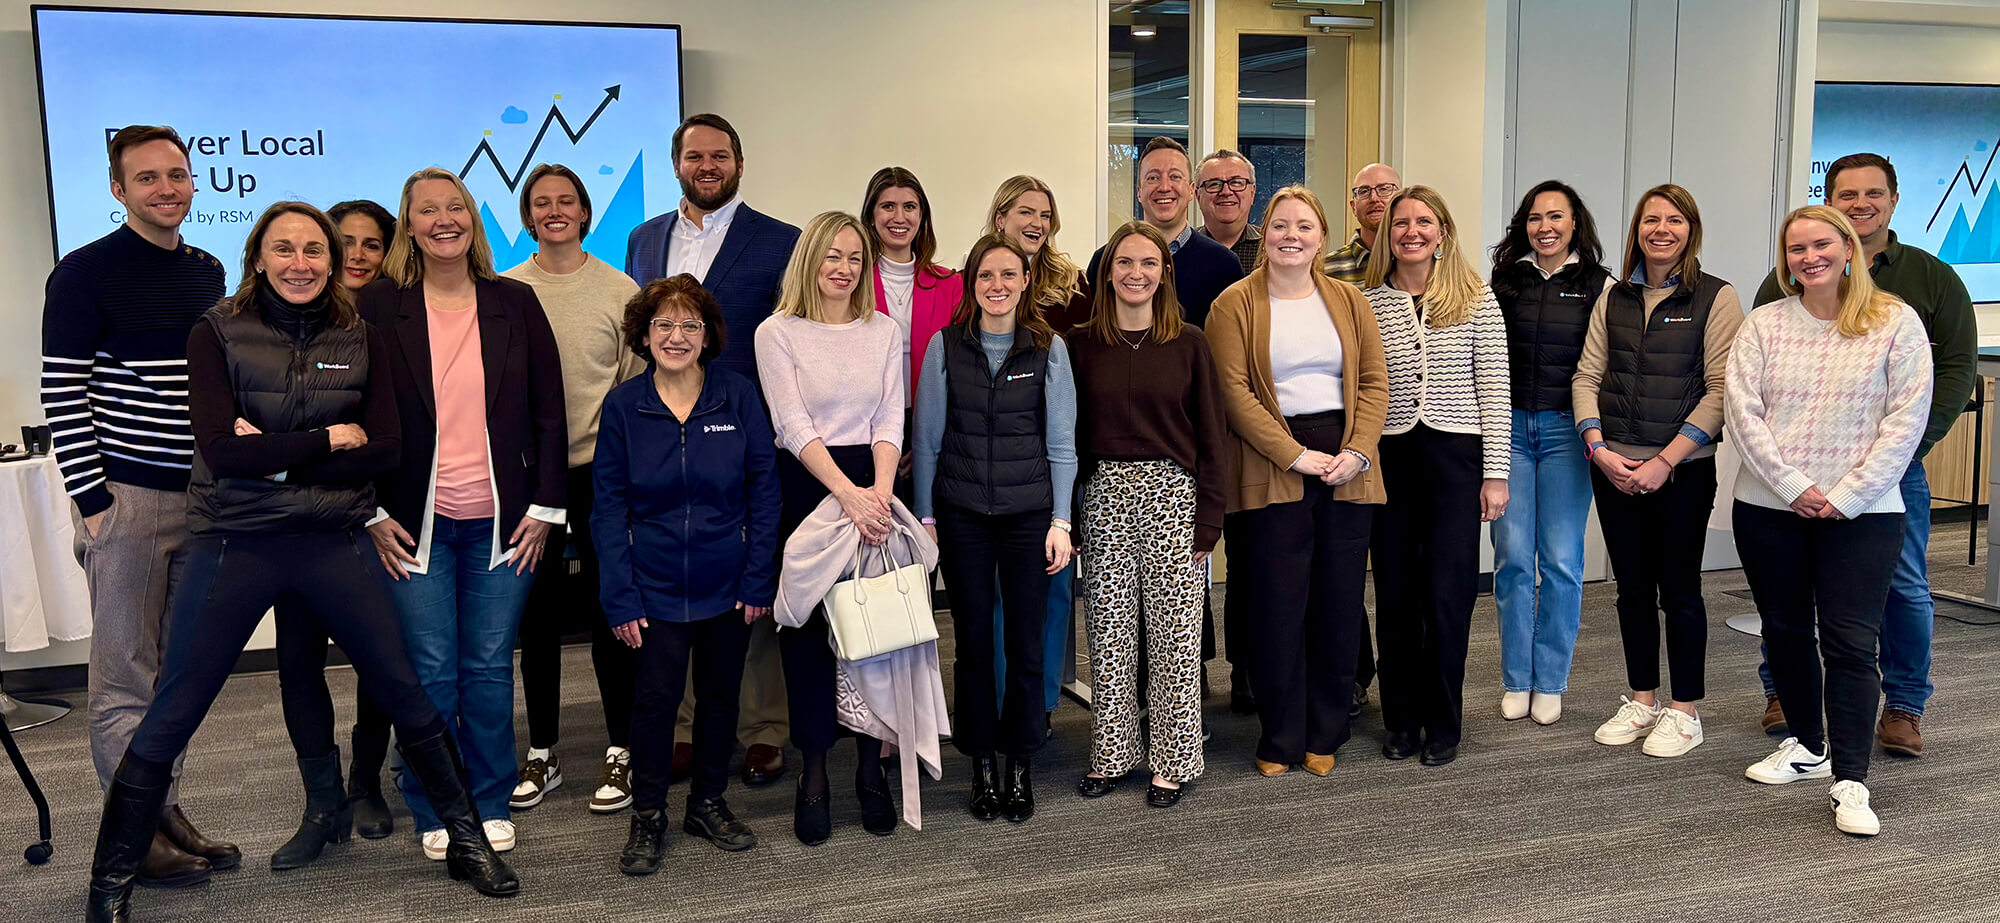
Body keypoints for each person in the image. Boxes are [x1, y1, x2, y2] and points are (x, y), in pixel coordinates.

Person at [86, 202, 518, 923]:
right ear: (259, 255)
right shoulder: (215, 330)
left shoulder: (361, 334)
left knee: (406, 692)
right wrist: (325, 439)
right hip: (236, 542)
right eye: (284, 249)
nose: (301, 262)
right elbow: (223, 455)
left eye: (313, 250)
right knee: (173, 711)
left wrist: (276, 453)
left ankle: (470, 841)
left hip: (332, 540)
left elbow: (386, 450)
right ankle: (110, 881)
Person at [40, 125, 237, 889]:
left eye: (178, 175)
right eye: (147, 178)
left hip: (200, 496)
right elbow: (63, 390)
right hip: (126, 497)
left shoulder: (207, 269)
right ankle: (135, 833)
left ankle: (163, 806)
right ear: (118, 190)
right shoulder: (83, 274)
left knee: (178, 670)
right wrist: (93, 502)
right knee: (125, 672)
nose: (167, 189)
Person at [359, 167, 568, 862]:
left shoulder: (516, 301)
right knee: (429, 668)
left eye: (457, 207)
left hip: (504, 524)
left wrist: (546, 508)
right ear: (408, 224)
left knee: (485, 665)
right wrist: (367, 510)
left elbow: (547, 409)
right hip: (411, 524)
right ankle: (435, 804)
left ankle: (488, 795)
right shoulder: (378, 306)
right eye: (428, 210)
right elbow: (351, 410)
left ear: (474, 220)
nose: (444, 219)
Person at [1749, 154, 1976, 755]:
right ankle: (1784, 695)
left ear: (1893, 201)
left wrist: (1908, 451)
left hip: (1892, 471)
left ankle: (1903, 706)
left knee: (1902, 588)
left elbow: (1952, 370)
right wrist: (1791, 480)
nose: (1861, 202)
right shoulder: (1780, 288)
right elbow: (1756, 395)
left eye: (1874, 193)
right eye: (1847, 193)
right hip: (1788, 484)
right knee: (1788, 600)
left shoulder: (1928, 282)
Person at [1728, 205, 1932, 838]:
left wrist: (1844, 495)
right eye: (1795, 248)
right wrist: (1793, 486)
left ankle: (1851, 779)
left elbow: (1906, 422)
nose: (1808, 257)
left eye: (1821, 244)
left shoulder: (1896, 323)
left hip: (1864, 514)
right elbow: (1743, 412)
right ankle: (1808, 748)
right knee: (1784, 631)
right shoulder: (1763, 325)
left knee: (1849, 641)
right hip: (1769, 507)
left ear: (1849, 249)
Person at [626, 113, 801, 787]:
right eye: (695, 155)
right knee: (675, 573)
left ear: (739, 164)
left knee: (748, 577)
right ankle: (686, 726)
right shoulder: (644, 239)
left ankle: (761, 729)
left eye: (720, 156)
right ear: (676, 163)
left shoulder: (780, 241)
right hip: (662, 427)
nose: (708, 165)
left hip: (741, 423)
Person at [598, 275, 781, 872]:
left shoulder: (737, 396)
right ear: (644, 336)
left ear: (708, 335)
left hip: (728, 583)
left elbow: (765, 492)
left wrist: (758, 579)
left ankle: (707, 802)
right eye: (663, 325)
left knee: (721, 699)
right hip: (651, 590)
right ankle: (647, 816)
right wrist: (620, 598)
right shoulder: (625, 406)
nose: (676, 336)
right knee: (654, 704)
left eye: (690, 325)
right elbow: (607, 509)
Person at [1207, 185, 1386, 776]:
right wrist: (1295, 455)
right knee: (1276, 604)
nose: (1292, 236)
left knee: (1337, 602)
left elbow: (1373, 384)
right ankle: (1280, 736)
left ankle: (1326, 733)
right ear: (1266, 233)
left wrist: (1357, 452)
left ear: (1322, 237)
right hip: (1270, 463)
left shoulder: (1350, 300)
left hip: (1346, 463)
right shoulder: (1233, 304)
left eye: (1304, 226)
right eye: (1281, 225)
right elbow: (1233, 393)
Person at [1574, 183, 1742, 758]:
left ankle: (1685, 711)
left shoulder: (1716, 298)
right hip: (1614, 466)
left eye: (1674, 220)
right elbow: (1585, 377)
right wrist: (1597, 447)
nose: (1661, 230)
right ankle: (1642, 700)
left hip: (1682, 472)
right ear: (1637, 230)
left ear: (1690, 230)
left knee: (1681, 590)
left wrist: (1666, 460)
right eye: (1651, 220)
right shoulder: (1614, 296)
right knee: (1631, 591)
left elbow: (1722, 390)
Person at [914, 233, 1077, 822]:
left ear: (1025, 281)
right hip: (961, 519)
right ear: (971, 284)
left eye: (1009, 274)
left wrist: (1061, 519)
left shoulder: (1047, 348)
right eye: (986, 276)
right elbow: (927, 440)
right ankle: (982, 763)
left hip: (1029, 517)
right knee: (976, 646)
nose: (998, 286)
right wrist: (927, 517)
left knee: (1027, 647)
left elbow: (1062, 444)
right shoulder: (944, 347)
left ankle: (1021, 761)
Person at [754, 211, 905, 844]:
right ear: (807, 260)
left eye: (853, 257)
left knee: (875, 634)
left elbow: (890, 418)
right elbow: (790, 425)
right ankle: (814, 772)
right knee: (811, 638)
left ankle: (871, 768)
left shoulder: (884, 329)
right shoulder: (777, 331)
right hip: (809, 488)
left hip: (875, 486)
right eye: (830, 256)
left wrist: (881, 498)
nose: (842, 269)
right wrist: (848, 496)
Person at [502, 164, 647, 815]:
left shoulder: (620, 290)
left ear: (585, 212)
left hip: (598, 476)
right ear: (528, 216)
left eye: (566, 201)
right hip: (529, 480)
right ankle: (543, 751)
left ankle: (621, 748)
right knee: (533, 618)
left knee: (609, 609)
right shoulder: (502, 291)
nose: (555, 210)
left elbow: (631, 387)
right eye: (541, 203)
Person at [1071, 222, 1226, 806]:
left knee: (1175, 637)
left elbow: (1213, 436)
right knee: (1108, 634)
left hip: (1174, 496)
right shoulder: (1080, 344)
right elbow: (1069, 439)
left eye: (1149, 263)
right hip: (1104, 496)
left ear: (1165, 273)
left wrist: (1209, 520)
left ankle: (1173, 761)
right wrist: (1071, 515)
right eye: (1125, 263)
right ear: (1107, 271)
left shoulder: (1189, 342)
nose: (1136, 274)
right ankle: (1112, 756)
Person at [267, 198, 402, 854]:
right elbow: (254, 438)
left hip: (369, 520)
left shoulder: (387, 322)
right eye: (341, 242)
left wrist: (299, 449)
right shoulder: (276, 325)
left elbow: (391, 443)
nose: (355, 255)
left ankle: (366, 781)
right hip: (291, 528)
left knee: (379, 660)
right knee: (298, 661)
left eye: (371, 243)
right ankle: (320, 804)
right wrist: (323, 442)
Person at [1362, 186, 1510, 767]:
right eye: (1401, 222)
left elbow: (1496, 390)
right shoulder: (1368, 303)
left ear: (1442, 231)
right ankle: (1400, 719)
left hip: (1456, 461)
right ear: (1387, 234)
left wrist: (1495, 475)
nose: (1412, 231)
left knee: (1447, 596)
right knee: (1396, 594)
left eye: (1425, 221)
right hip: (1391, 460)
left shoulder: (1476, 298)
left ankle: (1443, 722)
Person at [1486, 181, 1612, 726]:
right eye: (1535, 218)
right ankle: (1517, 677)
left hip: (1568, 433)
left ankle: (1551, 679)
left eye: (1556, 217)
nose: (1545, 227)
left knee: (1561, 561)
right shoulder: (1503, 281)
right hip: (1508, 429)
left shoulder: (1599, 285)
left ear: (1575, 223)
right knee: (1513, 558)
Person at [982, 174, 1087, 716]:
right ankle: (1003, 699)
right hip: (999, 463)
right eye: (1025, 212)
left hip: (1063, 452)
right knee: (1001, 595)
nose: (1036, 224)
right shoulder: (981, 278)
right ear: (1000, 217)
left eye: (1045, 214)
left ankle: (1041, 704)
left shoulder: (1075, 286)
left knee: (1054, 585)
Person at [1326, 162, 1402, 284]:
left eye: (1384, 189)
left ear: (1402, 200)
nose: (1374, 198)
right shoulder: (1327, 270)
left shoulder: (1419, 262)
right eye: (1364, 191)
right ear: (1353, 207)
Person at [1195, 149, 1262, 274]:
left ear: (1252, 193)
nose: (1226, 192)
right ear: (1198, 196)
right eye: (1214, 184)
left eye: (1236, 182)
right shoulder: (1181, 250)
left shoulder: (1270, 249)